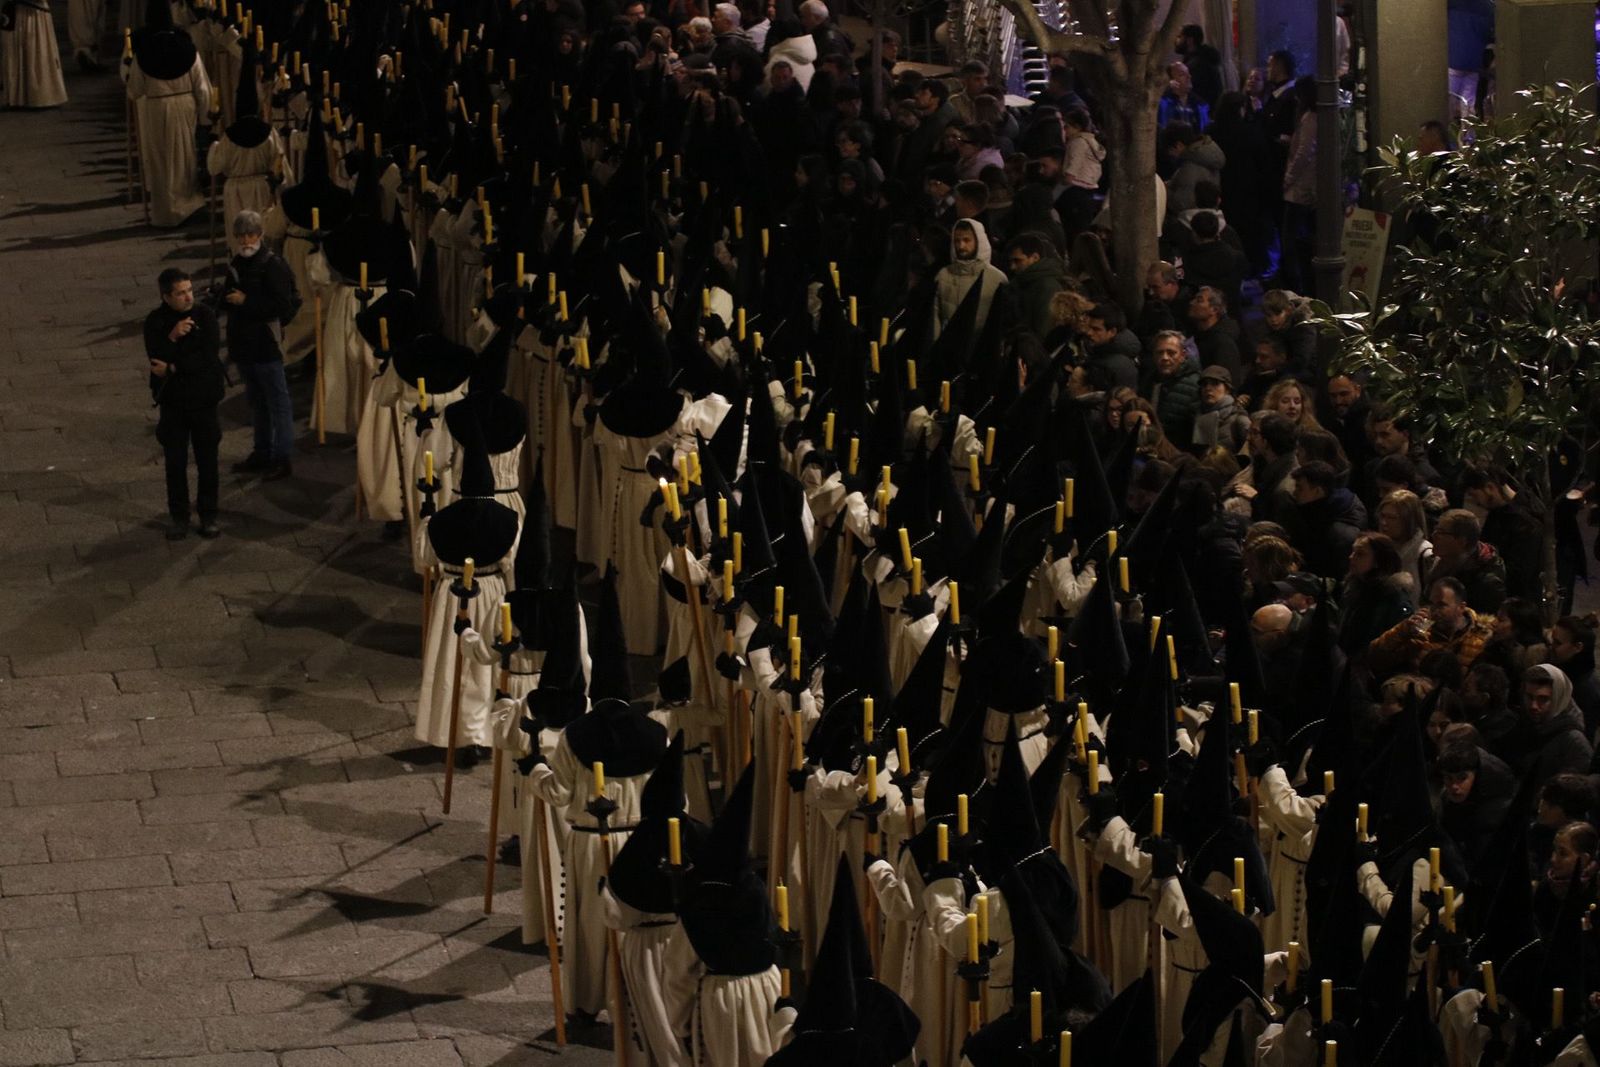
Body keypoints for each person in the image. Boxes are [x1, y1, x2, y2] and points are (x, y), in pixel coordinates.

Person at [143, 268, 224, 540]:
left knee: (208, 461)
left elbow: (208, 357)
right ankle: (179, 517)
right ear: (166, 297)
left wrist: (175, 367)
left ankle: (209, 515)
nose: (188, 297)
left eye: (189, 290)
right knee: (175, 463)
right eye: (180, 293)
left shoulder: (205, 316)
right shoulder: (156, 322)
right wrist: (173, 337)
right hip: (174, 404)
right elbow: (155, 360)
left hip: (203, 401)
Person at [223, 210, 299, 480]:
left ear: (260, 235)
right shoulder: (237, 263)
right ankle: (262, 451)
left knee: (277, 402)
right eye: (241, 236)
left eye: (250, 235)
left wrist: (247, 302)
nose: (246, 241)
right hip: (244, 344)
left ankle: (282, 456)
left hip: (265, 344)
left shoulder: (271, 264)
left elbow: (283, 306)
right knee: (257, 402)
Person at [123, 0, 211, 227]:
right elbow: (202, 88)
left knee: (160, 160)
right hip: (183, 106)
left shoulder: (143, 51)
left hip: (156, 108)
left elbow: (134, 91)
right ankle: (189, 206)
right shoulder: (186, 47)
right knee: (185, 156)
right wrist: (204, 118)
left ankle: (164, 213)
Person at [1369, 575, 1495, 677]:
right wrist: (1402, 631)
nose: (1434, 610)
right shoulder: (1421, 631)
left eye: (1441, 605)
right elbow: (1375, 658)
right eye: (1431, 604)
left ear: (1461, 607)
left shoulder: (1482, 636)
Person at [1462, 466, 1545, 603]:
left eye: (1475, 495)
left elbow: (1521, 570)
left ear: (1489, 487)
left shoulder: (1524, 519)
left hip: (1517, 599)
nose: (1476, 502)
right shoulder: (1498, 513)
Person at [1339, 532, 1415, 657]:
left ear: (1378, 561)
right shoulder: (1354, 588)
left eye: (1360, 554)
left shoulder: (1393, 598)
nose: (1351, 557)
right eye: (1352, 552)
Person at [932, 218, 1007, 338]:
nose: (961, 246)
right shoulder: (943, 275)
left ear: (979, 241)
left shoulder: (997, 279)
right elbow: (934, 318)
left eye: (967, 240)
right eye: (957, 241)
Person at [1426, 508, 1508, 614]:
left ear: (1461, 541)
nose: (1433, 535)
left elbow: (1484, 625)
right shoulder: (1441, 562)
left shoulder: (1487, 583)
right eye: (1435, 530)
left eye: (1441, 532)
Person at [2, 0, 68, 108]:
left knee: (35, 48)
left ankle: (39, 94)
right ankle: (20, 95)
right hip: (16, 11)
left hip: (33, 12)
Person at [1144, 330, 1200, 449]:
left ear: (1182, 355)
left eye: (1171, 353)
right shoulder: (1150, 381)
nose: (1164, 357)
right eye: (1160, 353)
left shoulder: (1196, 385)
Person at [1185, 287, 1243, 384]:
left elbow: (1227, 382)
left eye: (1199, 300)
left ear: (1214, 310)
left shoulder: (1223, 343)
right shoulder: (1199, 335)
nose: (1192, 303)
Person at [1190, 365, 1249, 454]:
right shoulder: (1195, 416)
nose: (1208, 388)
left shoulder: (1238, 419)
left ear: (1227, 389)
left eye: (1215, 383)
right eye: (1204, 384)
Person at [1175, 23, 1223, 106]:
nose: (1176, 40)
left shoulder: (1196, 65)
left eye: (1180, 37)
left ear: (1190, 40)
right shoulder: (1201, 59)